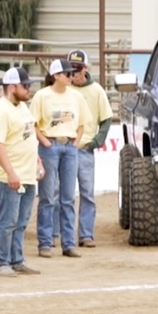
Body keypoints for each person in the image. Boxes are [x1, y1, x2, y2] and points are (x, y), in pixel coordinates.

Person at [30, 59, 93, 259]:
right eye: (67, 74)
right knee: (48, 196)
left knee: (67, 197)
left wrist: (76, 142)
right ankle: (46, 242)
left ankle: (67, 243)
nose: (71, 76)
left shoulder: (76, 96)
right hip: (51, 143)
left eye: (72, 73)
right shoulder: (42, 96)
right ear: (56, 75)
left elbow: (83, 122)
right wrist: (44, 141)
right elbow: (33, 124)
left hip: (68, 145)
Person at [0, 67, 42, 277]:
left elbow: (28, 136)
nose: (29, 89)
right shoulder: (1, 111)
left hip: (26, 173)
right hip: (11, 175)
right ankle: (1, 262)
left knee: (20, 221)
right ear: (12, 87)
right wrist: (10, 173)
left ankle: (16, 259)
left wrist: (37, 161)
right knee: (8, 220)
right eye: (25, 86)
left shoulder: (22, 107)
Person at [66, 50, 112, 249]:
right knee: (63, 193)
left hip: (84, 147)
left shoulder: (97, 91)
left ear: (85, 69)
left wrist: (96, 141)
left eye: (77, 69)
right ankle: (62, 234)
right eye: (71, 69)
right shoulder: (63, 90)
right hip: (66, 146)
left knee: (86, 193)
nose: (73, 73)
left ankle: (85, 234)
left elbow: (106, 119)